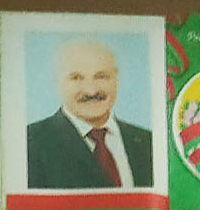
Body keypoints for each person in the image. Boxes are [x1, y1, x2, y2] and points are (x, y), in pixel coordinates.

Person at [20, 34, 153, 192]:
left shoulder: (147, 142)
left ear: (116, 80)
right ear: (57, 83)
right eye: (76, 78)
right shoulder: (30, 144)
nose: (91, 90)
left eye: (101, 76)